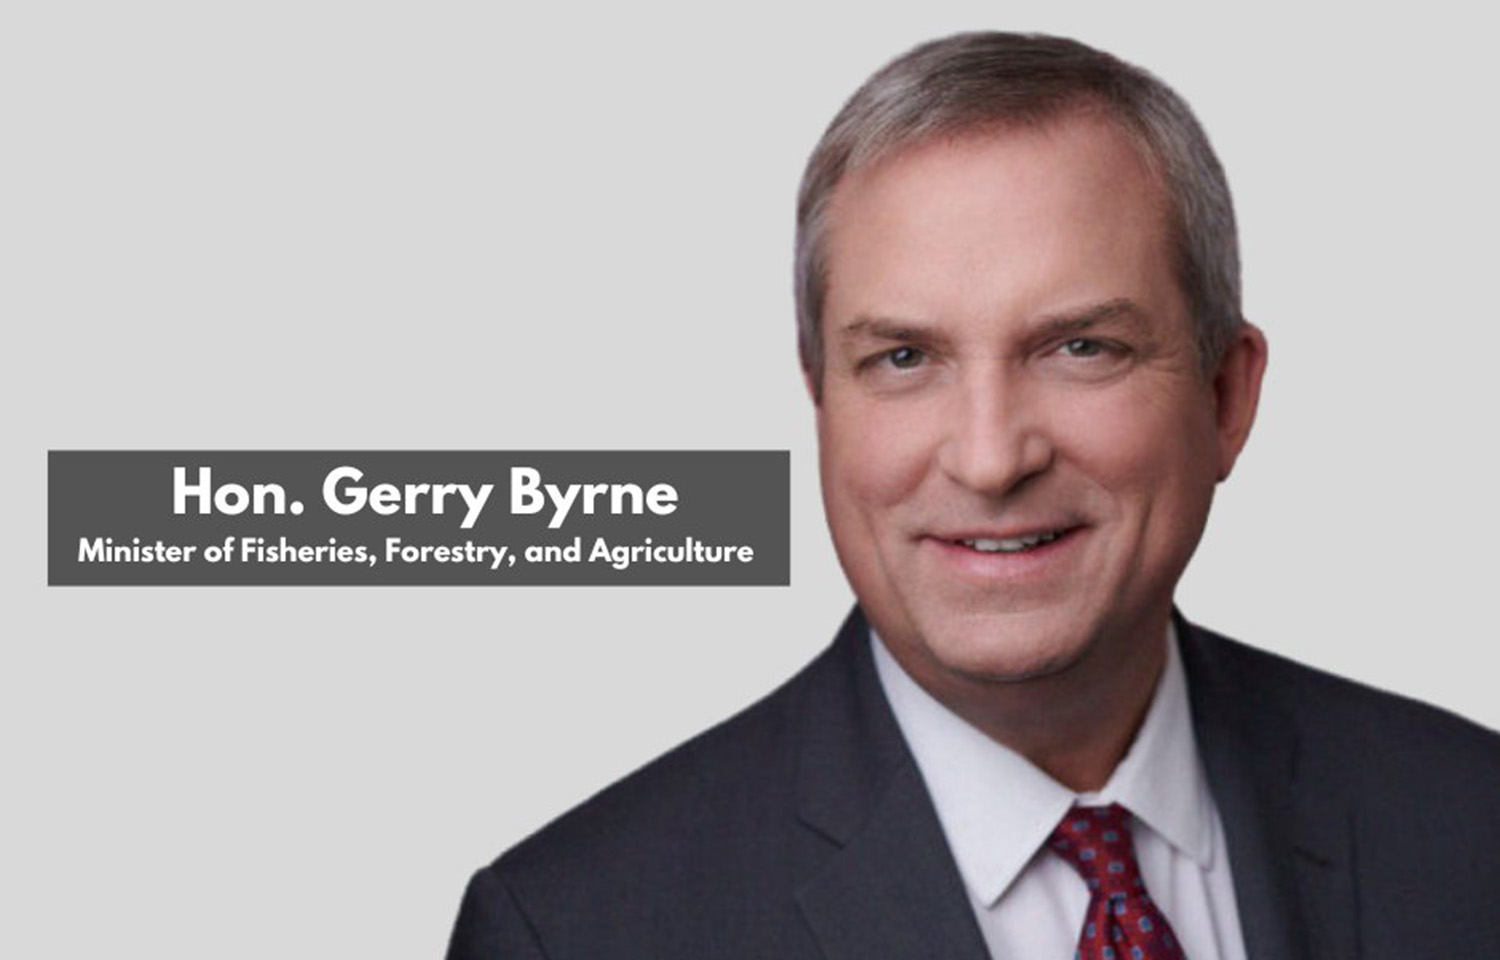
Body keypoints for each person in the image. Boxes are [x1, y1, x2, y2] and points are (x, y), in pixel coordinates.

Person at [446, 32, 1500, 960]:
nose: (992, 459)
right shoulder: (574, 930)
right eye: (904, 358)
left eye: (1081, 347)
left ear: (1225, 397)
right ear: (822, 401)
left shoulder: (1470, 827)